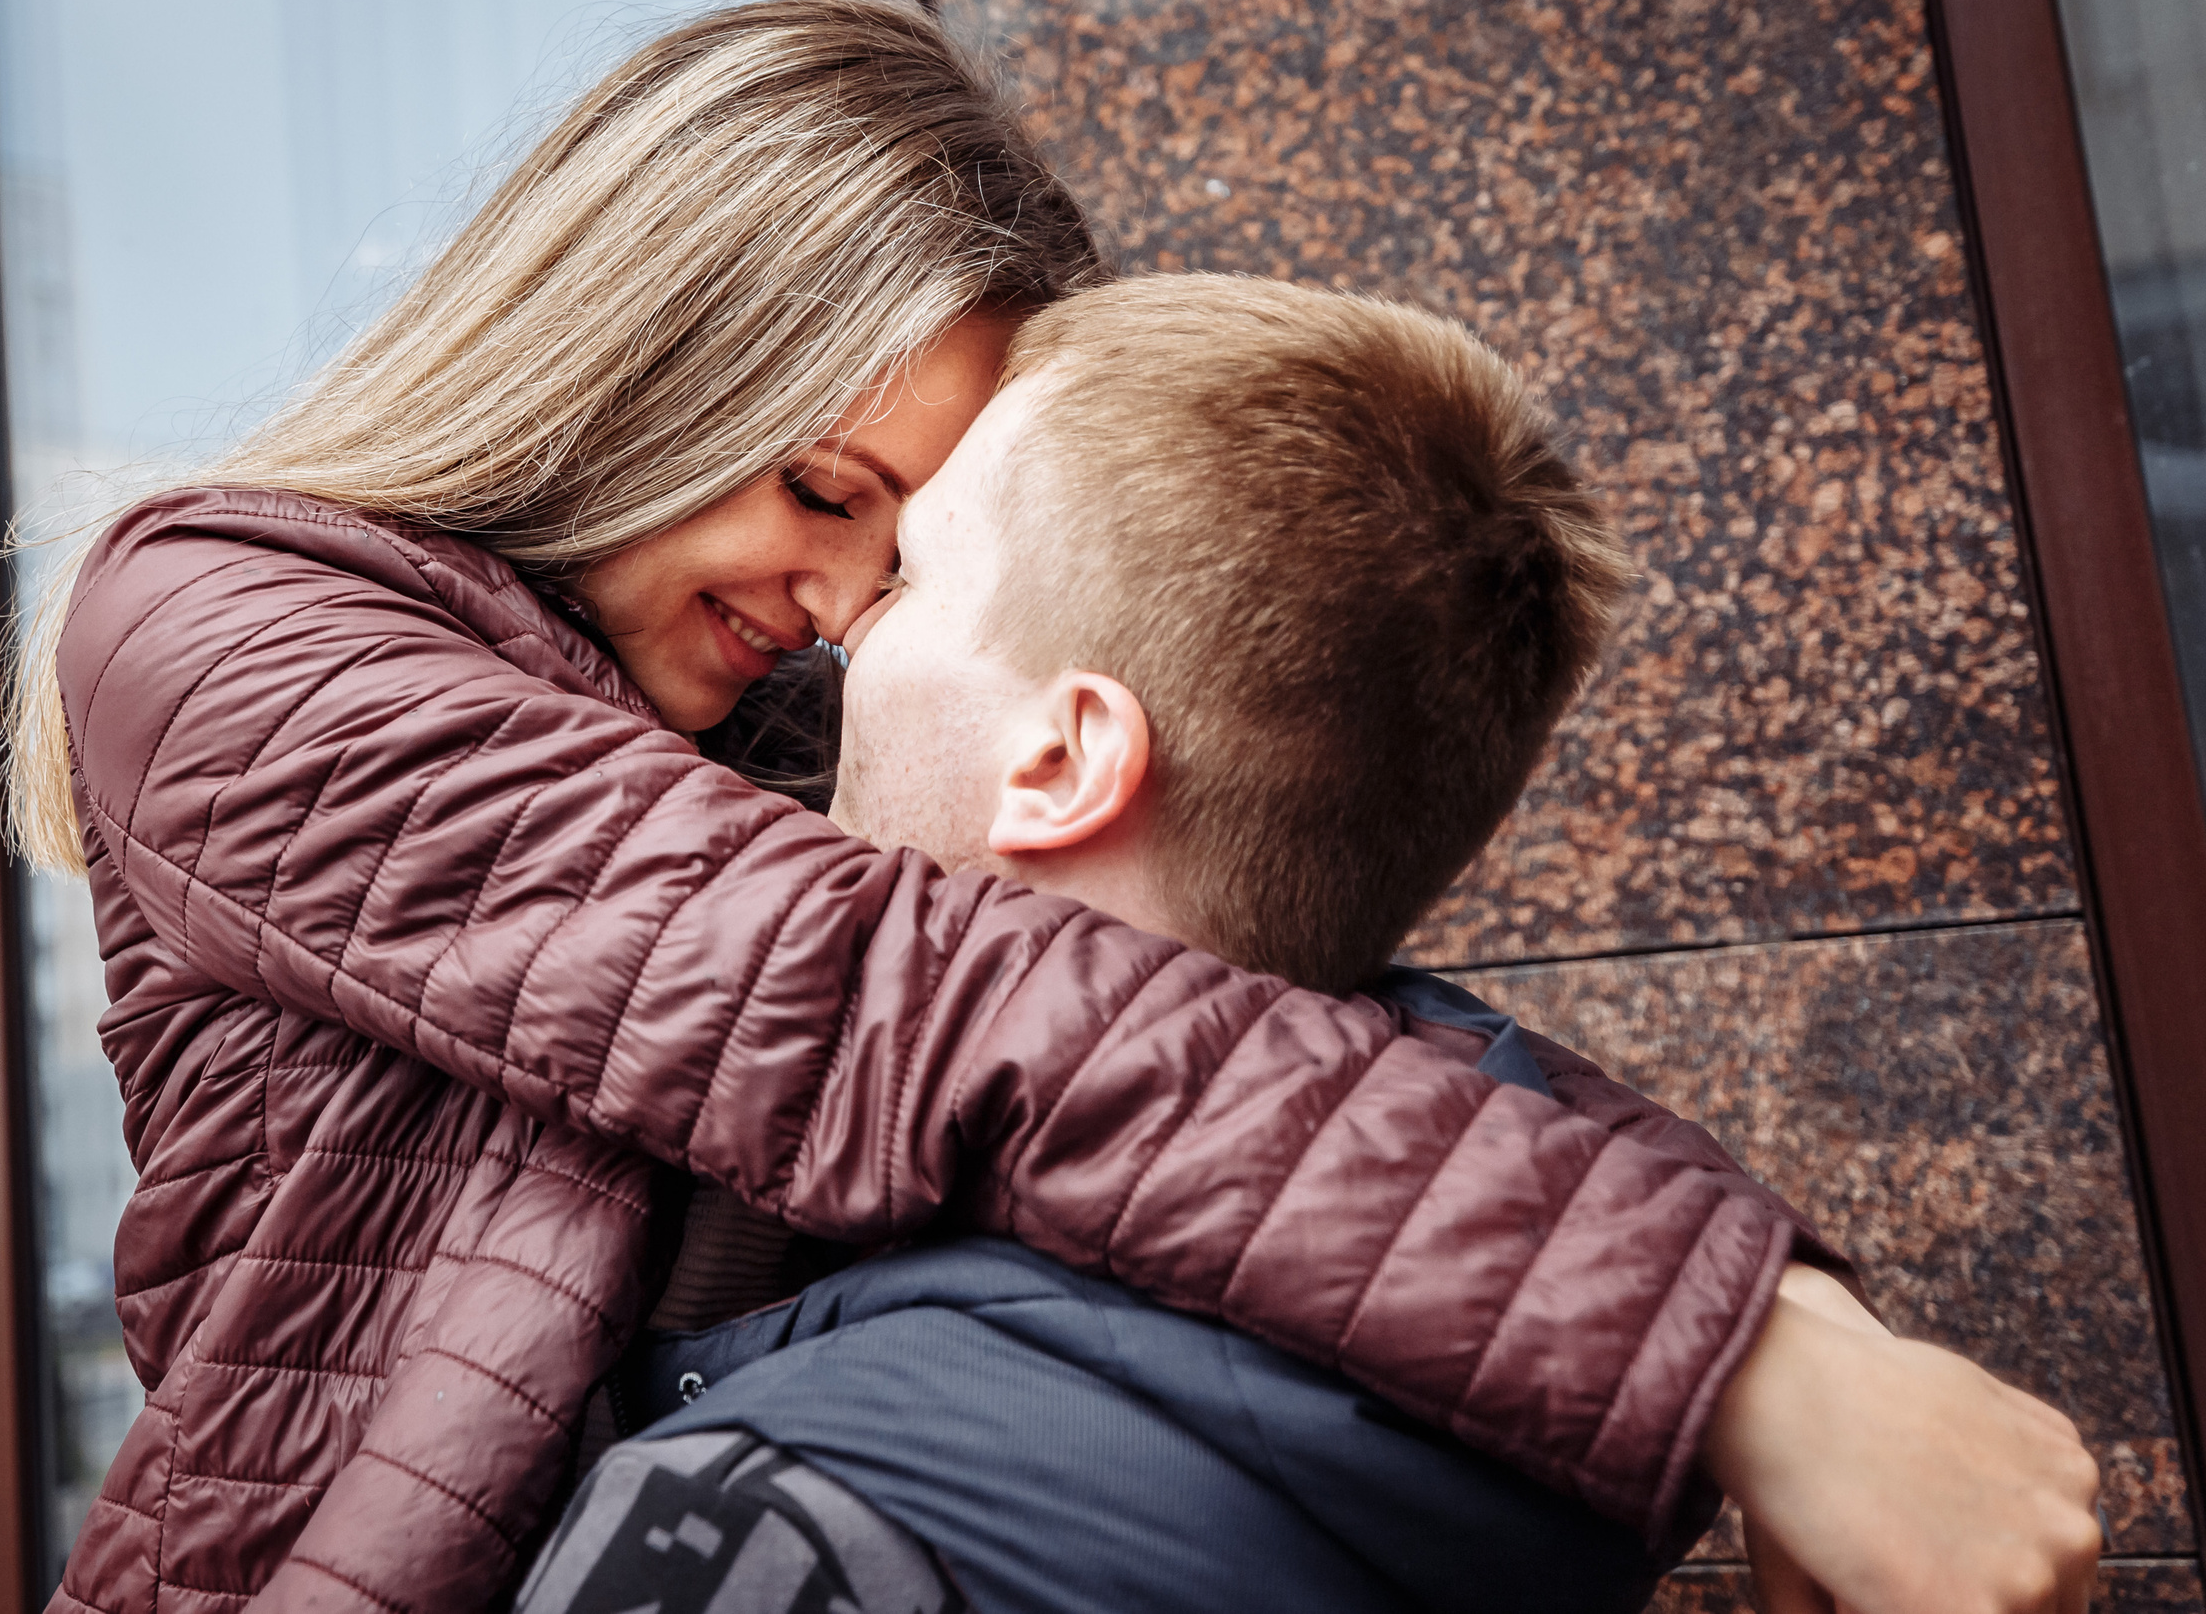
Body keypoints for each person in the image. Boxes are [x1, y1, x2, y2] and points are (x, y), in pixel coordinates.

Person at [2, 0, 2089, 1614]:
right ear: (641, 369)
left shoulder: (739, 686)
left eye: (904, 548)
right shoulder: (219, 628)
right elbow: (883, 996)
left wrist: (1776, 1302)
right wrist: (1718, 1350)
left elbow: (1235, 989)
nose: (846, 606)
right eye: (823, 491)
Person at [517, 276, 2106, 1614]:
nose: (843, 626)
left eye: (914, 576)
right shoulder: (1539, 1461)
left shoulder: (783, 1515)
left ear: (1063, 762)